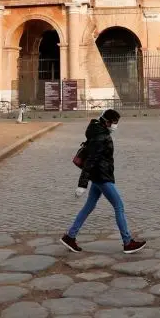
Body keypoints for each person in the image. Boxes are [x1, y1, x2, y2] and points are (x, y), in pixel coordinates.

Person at [61, 109, 145, 254]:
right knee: (119, 206)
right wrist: (82, 184)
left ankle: (70, 236)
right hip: (101, 177)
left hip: (99, 175)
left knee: (89, 206)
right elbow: (91, 160)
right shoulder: (101, 136)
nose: (116, 126)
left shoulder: (99, 131)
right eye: (115, 123)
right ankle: (127, 242)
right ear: (107, 122)